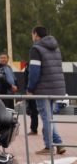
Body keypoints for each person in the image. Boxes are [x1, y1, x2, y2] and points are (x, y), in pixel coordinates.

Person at [27, 25, 67, 155]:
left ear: (36, 34)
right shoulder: (55, 47)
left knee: (46, 117)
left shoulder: (36, 48)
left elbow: (34, 71)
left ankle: (49, 147)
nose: (32, 37)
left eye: (32, 34)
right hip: (56, 88)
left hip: (43, 88)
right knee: (50, 117)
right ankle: (59, 144)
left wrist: (30, 88)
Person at [23, 65, 39, 135]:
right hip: (30, 90)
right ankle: (33, 129)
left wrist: (29, 89)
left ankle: (35, 129)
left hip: (35, 91)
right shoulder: (27, 65)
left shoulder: (34, 64)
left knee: (35, 110)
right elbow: (26, 79)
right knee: (33, 111)